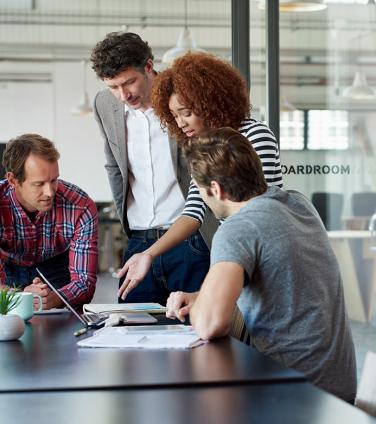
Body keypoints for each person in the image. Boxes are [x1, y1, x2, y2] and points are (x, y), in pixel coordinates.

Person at [165, 128, 356, 402]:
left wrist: (204, 305)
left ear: (216, 190)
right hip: (338, 389)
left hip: (293, 394)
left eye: (200, 190)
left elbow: (209, 324)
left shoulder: (238, 229)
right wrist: (200, 297)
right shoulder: (299, 204)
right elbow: (281, 284)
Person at [116, 52, 283, 300]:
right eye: (174, 115)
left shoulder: (255, 135)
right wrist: (148, 254)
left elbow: (263, 212)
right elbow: (193, 212)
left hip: (259, 258)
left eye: (186, 112)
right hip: (234, 255)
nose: (180, 123)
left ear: (210, 102)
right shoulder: (202, 148)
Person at [90, 32, 210, 304]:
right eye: (113, 86)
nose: (123, 95)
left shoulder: (181, 98)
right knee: (131, 332)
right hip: (139, 239)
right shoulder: (104, 104)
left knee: (194, 335)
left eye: (129, 82)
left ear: (148, 66)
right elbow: (114, 164)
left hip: (190, 240)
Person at [0, 134, 98, 309]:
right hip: (7, 272)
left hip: (56, 273)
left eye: (53, 180)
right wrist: (19, 298)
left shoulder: (80, 206)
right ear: (13, 180)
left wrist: (55, 298)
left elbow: (84, 282)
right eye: (39, 184)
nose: (50, 192)